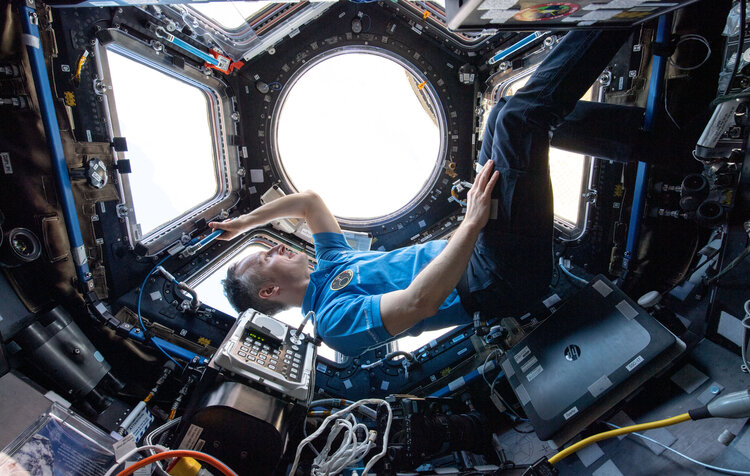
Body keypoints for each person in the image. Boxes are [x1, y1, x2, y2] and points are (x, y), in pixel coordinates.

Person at [209, 29, 639, 357]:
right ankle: (627, 2)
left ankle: (664, 141)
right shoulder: (334, 322)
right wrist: (470, 225)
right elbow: (419, 302)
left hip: (485, 253)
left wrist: (246, 223)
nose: (275, 250)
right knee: (516, 123)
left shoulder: (332, 265)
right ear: (268, 293)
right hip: (492, 279)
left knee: (505, 114)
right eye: (264, 258)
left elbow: (309, 203)